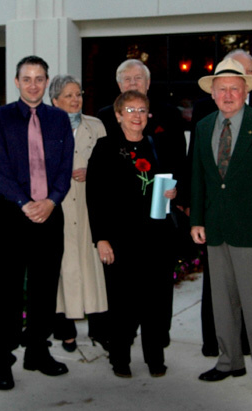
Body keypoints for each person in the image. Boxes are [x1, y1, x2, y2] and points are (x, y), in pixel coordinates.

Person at [190, 57, 252, 397]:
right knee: (223, 304)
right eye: (222, 89)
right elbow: (200, 179)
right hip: (216, 230)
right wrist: (197, 221)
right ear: (213, 94)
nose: (228, 95)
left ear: (246, 91)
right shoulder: (203, 127)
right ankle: (228, 361)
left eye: (235, 88)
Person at [0, 56, 75, 391]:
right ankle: (2, 361)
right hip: (14, 214)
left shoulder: (58, 120)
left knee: (45, 287)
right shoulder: (1, 118)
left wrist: (51, 201)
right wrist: (25, 204)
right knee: (7, 290)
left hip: (51, 214)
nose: (33, 84)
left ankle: (37, 351)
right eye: (27, 78)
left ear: (46, 81)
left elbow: (65, 167)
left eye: (39, 78)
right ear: (17, 81)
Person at [86, 90, 185, 378]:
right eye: (130, 111)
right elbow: (95, 196)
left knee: (155, 303)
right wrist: (101, 238)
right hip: (120, 241)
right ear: (118, 116)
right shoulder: (105, 148)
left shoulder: (156, 146)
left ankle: (155, 358)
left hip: (156, 238)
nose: (137, 116)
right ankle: (120, 359)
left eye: (142, 110)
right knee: (122, 304)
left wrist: (172, 193)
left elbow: (165, 187)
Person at [48, 75, 109, 353]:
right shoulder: (44, 127)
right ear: (55, 101)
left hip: (89, 206)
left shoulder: (95, 126)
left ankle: (100, 329)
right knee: (63, 269)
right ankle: (65, 332)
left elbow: (110, 164)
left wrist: (92, 172)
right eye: (69, 95)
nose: (75, 100)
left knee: (92, 266)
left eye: (78, 94)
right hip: (58, 206)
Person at [96, 59, 186, 149]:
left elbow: (178, 156)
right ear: (120, 85)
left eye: (138, 78)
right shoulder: (105, 116)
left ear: (148, 83)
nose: (133, 83)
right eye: (127, 79)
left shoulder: (170, 114)